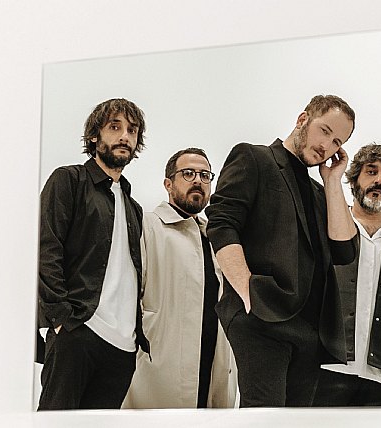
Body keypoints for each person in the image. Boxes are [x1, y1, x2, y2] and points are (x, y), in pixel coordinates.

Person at [205, 94, 359, 407]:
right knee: (264, 419)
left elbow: (345, 250)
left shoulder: (321, 193)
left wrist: (333, 181)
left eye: (337, 142)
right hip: (263, 316)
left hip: (311, 331)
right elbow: (222, 224)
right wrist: (248, 290)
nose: (326, 146)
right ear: (303, 119)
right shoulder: (254, 158)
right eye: (324, 131)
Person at [37, 98, 150, 410]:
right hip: (78, 331)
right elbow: (46, 248)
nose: (124, 136)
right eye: (114, 127)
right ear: (94, 136)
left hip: (123, 348)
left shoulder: (134, 208)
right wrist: (61, 319)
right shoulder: (69, 180)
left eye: (132, 130)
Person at [122, 148, 237, 409]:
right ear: (168, 184)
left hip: (212, 363)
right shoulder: (147, 226)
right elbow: (129, 296)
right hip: (160, 365)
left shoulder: (215, 237)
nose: (198, 180)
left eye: (205, 175)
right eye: (188, 173)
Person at [312, 143, 381, 407]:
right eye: (371, 171)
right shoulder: (325, 227)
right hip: (326, 369)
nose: (379, 181)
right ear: (355, 178)